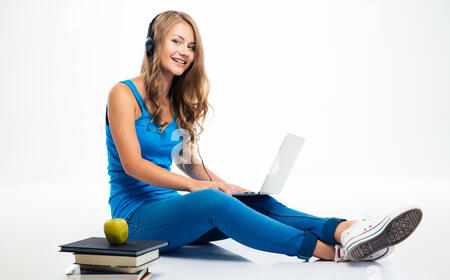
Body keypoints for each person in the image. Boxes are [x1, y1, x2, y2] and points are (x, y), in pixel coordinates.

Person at [105, 10, 422, 262]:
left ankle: (346, 231)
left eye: (190, 46)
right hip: (137, 221)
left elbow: (188, 163)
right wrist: (198, 187)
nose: (184, 52)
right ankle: (328, 252)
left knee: (252, 201)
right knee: (213, 200)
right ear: (154, 43)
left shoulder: (176, 102)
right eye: (176, 42)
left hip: (173, 213)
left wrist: (226, 186)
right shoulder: (123, 95)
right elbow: (133, 165)